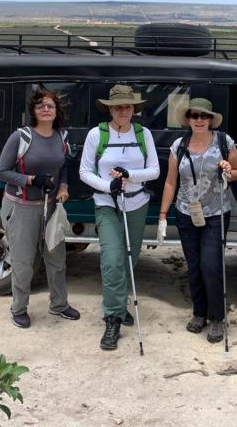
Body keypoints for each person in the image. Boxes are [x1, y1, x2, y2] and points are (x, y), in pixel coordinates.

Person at [79, 84, 160, 351]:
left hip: (137, 201)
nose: (123, 110)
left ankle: (118, 303)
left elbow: (154, 170)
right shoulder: (97, 134)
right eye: (117, 106)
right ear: (110, 109)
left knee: (129, 258)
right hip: (107, 202)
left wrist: (129, 175)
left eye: (127, 106)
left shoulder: (142, 133)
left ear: (133, 109)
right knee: (113, 259)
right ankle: (113, 316)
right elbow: (84, 171)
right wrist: (108, 186)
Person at [158, 98, 237, 343]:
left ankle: (217, 317)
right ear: (188, 119)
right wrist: (163, 214)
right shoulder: (179, 146)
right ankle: (199, 313)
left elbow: (236, 173)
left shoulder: (224, 142)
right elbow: (171, 182)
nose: (199, 120)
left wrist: (229, 171)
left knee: (211, 266)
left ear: (211, 119)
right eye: (194, 116)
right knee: (194, 266)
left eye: (204, 116)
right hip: (186, 212)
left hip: (216, 212)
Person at [0, 88, 79, 329]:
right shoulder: (21, 137)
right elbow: (2, 172)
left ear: (56, 111)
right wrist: (32, 180)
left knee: (56, 258)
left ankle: (59, 304)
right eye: (41, 106)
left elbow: (64, 167)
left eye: (50, 106)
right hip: (21, 207)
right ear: (33, 111)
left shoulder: (61, 137)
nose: (45, 109)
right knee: (23, 262)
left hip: (52, 207)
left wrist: (63, 186)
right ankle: (19, 308)